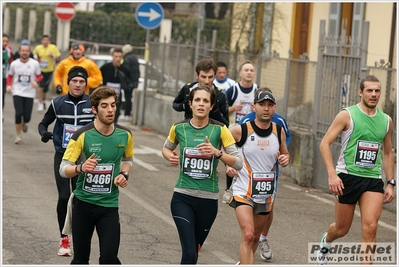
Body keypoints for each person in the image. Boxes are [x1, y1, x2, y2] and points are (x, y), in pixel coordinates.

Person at [316, 75, 395, 265]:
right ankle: (327, 241)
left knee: (371, 228)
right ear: (360, 92)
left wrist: (391, 182)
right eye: (369, 90)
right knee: (342, 229)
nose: (374, 94)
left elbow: (387, 152)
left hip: (372, 179)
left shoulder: (386, 121)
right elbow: (324, 144)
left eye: (377, 91)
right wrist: (332, 175)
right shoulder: (347, 115)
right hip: (346, 177)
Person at [162, 85, 243, 264]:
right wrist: (171, 157)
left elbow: (239, 163)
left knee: (195, 253)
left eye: (205, 101)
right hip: (182, 197)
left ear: (212, 106)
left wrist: (217, 152)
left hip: (208, 201)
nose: (201, 104)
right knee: (190, 253)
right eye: (197, 100)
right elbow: (166, 148)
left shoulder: (220, 129)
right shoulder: (178, 128)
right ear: (190, 104)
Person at [59, 86, 134, 264]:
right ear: (94, 109)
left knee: (109, 258)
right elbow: (63, 169)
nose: (110, 110)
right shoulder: (82, 135)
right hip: (83, 204)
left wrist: (124, 173)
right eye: (104, 106)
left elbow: (128, 159)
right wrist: (81, 168)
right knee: (81, 258)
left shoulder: (125, 135)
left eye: (113, 105)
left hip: (109, 205)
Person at [38, 66, 95, 257]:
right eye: (74, 81)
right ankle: (64, 238)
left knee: (79, 199)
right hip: (63, 156)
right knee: (64, 197)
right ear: (68, 82)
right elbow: (43, 122)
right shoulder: (58, 103)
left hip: (86, 158)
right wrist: (44, 133)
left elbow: (106, 122)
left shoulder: (93, 103)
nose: (78, 85)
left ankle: (79, 238)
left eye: (81, 82)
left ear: (86, 84)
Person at [227, 90, 290, 264]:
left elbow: (285, 153)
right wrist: (228, 164)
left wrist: (285, 158)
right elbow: (224, 144)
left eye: (270, 105)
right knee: (247, 234)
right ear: (254, 106)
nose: (266, 109)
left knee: (255, 236)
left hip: (265, 193)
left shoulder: (279, 131)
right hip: (242, 190)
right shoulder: (241, 130)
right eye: (262, 105)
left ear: (274, 108)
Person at [222, 60, 258, 204]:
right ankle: (229, 189)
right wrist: (233, 109)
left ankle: (250, 189)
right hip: (234, 132)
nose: (249, 72)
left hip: (251, 133)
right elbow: (222, 109)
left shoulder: (257, 90)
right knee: (232, 159)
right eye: (246, 70)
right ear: (240, 73)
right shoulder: (233, 90)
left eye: (251, 70)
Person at [172, 58, 229, 126]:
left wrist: (215, 110)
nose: (207, 81)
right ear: (197, 75)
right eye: (203, 77)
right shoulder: (188, 89)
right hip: (189, 131)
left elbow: (226, 123)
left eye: (210, 77)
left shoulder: (220, 94)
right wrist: (184, 106)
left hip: (211, 133)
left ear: (215, 76)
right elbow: (175, 104)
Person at [6, 43, 42, 144]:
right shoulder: (14, 64)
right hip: (17, 91)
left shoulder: (35, 64)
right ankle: (18, 136)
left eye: (27, 51)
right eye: (23, 50)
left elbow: (39, 76)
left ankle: (24, 122)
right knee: (18, 113)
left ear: (29, 52)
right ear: (19, 52)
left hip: (29, 93)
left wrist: (36, 82)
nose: (25, 52)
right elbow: (9, 76)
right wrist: (9, 85)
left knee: (27, 116)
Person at [100, 47, 135, 124]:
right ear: (112, 56)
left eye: (120, 57)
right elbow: (99, 77)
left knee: (115, 115)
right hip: (105, 96)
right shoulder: (106, 67)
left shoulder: (125, 69)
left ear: (122, 57)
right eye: (116, 56)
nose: (118, 59)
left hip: (117, 97)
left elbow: (129, 82)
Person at [33, 34, 61, 111]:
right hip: (40, 71)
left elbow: (58, 58)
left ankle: (43, 100)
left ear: (49, 41)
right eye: (44, 40)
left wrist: (52, 55)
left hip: (49, 71)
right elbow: (34, 55)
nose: (45, 42)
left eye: (47, 40)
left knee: (45, 88)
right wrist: (36, 58)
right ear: (42, 41)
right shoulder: (38, 48)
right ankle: (40, 102)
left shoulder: (53, 48)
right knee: (41, 86)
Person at [120, 44, 140, 121]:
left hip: (128, 81)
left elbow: (126, 69)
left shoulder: (127, 58)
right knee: (129, 97)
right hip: (134, 80)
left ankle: (127, 113)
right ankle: (128, 113)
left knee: (127, 97)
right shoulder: (134, 57)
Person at [2, 33, 13, 110]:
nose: (5, 43)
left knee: (2, 96)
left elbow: (11, 62)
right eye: (3, 41)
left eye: (7, 41)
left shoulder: (8, 51)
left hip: (3, 77)